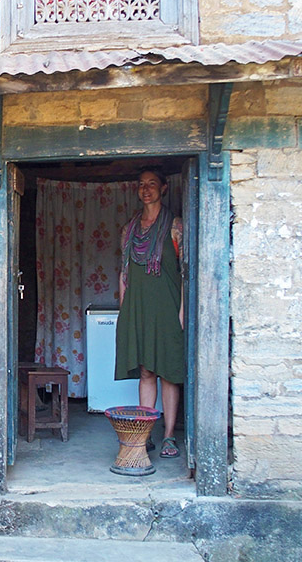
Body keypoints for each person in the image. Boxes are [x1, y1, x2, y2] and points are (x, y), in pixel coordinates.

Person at [115, 169, 185, 459]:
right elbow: (124, 272)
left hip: (167, 307)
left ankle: (168, 435)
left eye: (152, 184)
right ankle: (144, 434)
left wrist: (182, 311)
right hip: (138, 308)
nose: (146, 190)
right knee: (146, 371)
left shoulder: (175, 226)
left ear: (164, 188)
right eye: (142, 185)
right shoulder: (130, 229)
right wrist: (124, 312)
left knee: (168, 372)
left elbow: (185, 273)